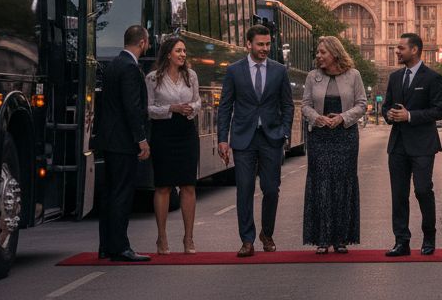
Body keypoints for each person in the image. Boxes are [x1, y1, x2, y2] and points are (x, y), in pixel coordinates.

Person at [217, 24, 293, 258]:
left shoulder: (279, 71)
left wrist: (285, 131)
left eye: (268, 44)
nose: (265, 48)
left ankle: (266, 233)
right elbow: (225, 106)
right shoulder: (234, 71)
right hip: (243, 139)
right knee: (245, 189)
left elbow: (287, 105)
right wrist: (223, 138)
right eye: (260, 44)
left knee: (271, 189)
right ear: (248, 44)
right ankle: (247, 240)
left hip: (271, 138)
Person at [381, 32, 442, 257]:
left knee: (422, 190)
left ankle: (429, 236)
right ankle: (402, 242)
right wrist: (388, 114)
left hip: (422, 145)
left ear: (415, 50)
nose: (396, 52)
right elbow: (386, 105)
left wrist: (410, 116)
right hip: (397, 145)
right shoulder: (395, 77)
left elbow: (439, 111)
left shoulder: (432, 78)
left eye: (400, 48)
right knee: (398, 195)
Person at [301, 36, 367, 254]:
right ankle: (321, 238)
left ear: (334, 53)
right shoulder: (313, 77)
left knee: (342, 184)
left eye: (322, 52)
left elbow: (362, 104)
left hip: (345, 137)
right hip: (320, 138)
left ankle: (340, 238)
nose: (318, 56)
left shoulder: (353, 75)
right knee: (320, 184)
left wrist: (342, 117)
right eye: (317, 53)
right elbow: (305, 105)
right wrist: (316, 118)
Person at [93, 25, 152, 262]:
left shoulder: (113, 65)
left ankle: (105, 245)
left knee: (109, 193)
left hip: (108, 139)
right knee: (122, 194)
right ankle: (120, 247)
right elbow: (132, 107)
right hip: (123, 141)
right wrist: (141, 139)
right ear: (142, 43)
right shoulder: (130, 68)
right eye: (146, 42)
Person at [145, 35, 201, 255]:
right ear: (168, 54)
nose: (183, 55)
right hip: (163, 133)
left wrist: (191, 108)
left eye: (184, 51)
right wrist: (171, 109)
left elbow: (197, 100)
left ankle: (189, 238)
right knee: (163, 186)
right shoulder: (152, 78)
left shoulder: (191, 76)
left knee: (188, 185)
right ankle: (162, 238)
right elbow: (148, 109)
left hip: (186, 132)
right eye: (178, 51)